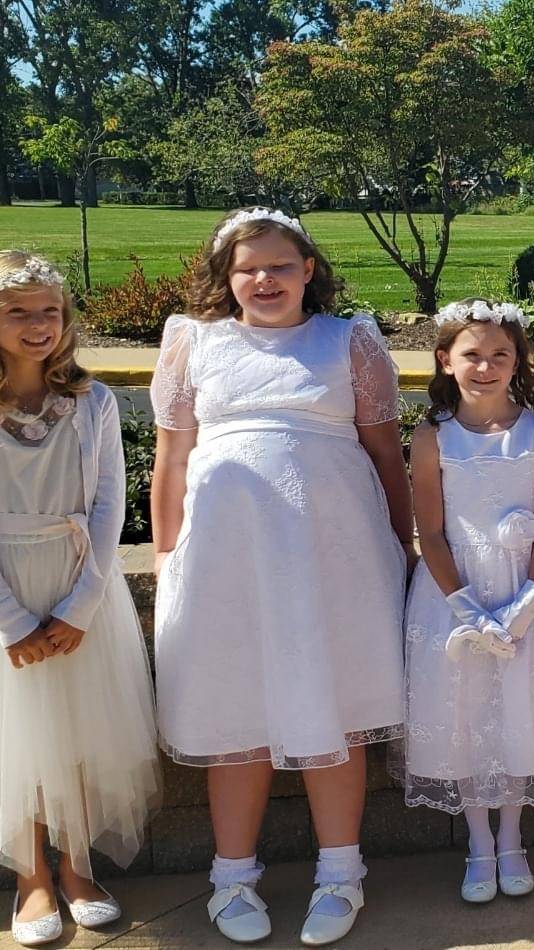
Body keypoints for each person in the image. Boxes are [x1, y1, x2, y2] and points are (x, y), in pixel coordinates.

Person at [150, 208, 412, 945]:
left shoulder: (347, 341)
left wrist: (401, 547)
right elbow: (172, 460)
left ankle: (341, 873)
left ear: (308, 272)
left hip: (335, 559)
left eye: (280, 266)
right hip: (225, 561)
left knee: (336, 706)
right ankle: (231, 878)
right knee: (235, 715)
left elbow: (386, 455)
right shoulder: (193, 342)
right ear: (225, 278)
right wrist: (168, 557)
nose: (264, 279)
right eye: (248, 268)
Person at [0, 251, 161, 948]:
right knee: (18, 740)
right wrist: (10, 619)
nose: (38, 326)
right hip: (0, 593)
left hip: (78, 586)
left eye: (50, 311)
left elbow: (108, 502)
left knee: (85, 736)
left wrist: (83, 604)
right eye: (18, 311)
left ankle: (79, 866)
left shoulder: (93, 401)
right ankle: (32, 876)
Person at [399, 298, 534, 905]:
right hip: (452, 595)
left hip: (523, 590)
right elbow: (429, 532)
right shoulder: (432, 438)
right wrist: (465, 609)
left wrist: (528, 603)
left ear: (517, 361)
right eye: (472, 355)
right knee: (463, 716)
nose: (485, 366)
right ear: (445, 360)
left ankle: (511, 836)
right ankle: (477, 840)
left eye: (499, 355)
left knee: (518, 713)